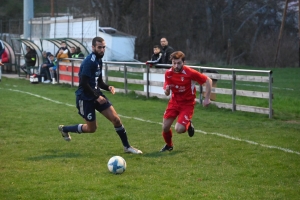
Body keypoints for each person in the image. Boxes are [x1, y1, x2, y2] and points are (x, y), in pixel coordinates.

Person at [58, 36, 143, 154]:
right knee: (91, 129)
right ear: (93, 47)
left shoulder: (99, 60)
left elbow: (99, 81)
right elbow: (83, 83)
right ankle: (65, 129)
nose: (102, 50)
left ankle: (127, 147)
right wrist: (96, 96)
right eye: (99, 47)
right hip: (85, 98)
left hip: (96, 94)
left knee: (116, 120)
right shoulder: (89, 61)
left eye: (103, 47)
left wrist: (108, 87)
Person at [159, 51, 212, 152]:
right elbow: (166, 93)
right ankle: (169, 145)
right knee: (165, 127)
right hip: (174, 102)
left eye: (179, 63)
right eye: (174, 63)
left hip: (187, 104)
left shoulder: (190, 73)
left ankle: (188, 124)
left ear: (184, 62)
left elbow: (208, 80)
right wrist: (167, 90)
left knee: (179, 129)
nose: (176, 65)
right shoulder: (168, 73)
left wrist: (207, 98)